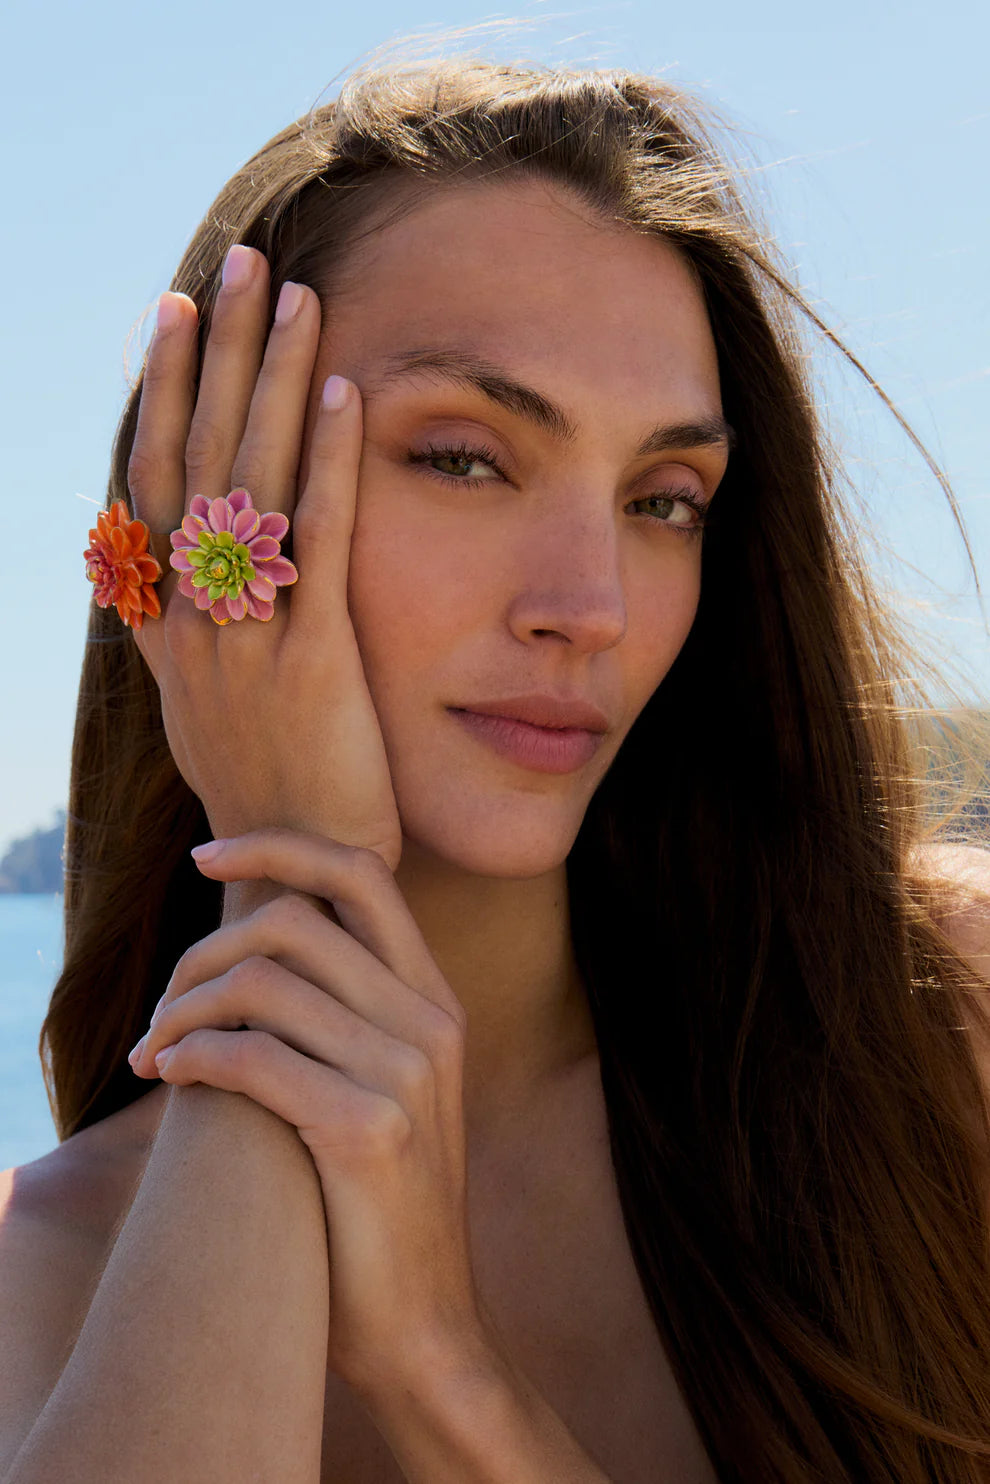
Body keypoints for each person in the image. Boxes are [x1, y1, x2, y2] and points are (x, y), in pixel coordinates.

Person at [2, 39, 989, 1484]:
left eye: (663, 499)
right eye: (463, 457)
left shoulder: (941, 1022)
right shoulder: (52, 1279)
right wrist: (296, 884)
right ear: (200, 502)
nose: (587, 604)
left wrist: (439, 1370)